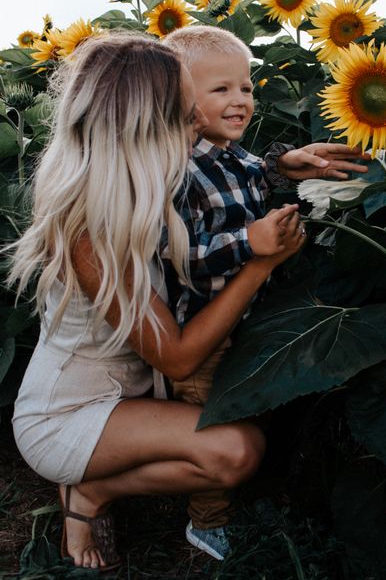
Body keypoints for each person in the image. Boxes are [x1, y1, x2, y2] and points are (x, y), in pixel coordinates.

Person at [7, 31, 306, 571]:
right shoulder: (89, 230)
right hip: (70, 413)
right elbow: (177, 357)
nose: (198, 125)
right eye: (184, 114)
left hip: (133, 394)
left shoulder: (143, 180)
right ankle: (90, 490)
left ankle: (96, 482)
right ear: (142, 128)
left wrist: (282, 165)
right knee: (236, 452)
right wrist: (261, 262)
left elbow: (220, 167)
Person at [161, 25, 370, 558]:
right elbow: (179, 255)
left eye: (247, 88)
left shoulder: (228, 154)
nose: (241, 101)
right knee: (214, 417)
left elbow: (255, 168)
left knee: (253, 408)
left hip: (248, 318)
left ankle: (243, 485)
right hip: (206, 333)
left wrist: (287, 158)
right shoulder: (176, 174)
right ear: (181, 103)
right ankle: (206, 520)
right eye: (221, 90)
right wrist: (247, 242)